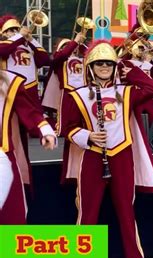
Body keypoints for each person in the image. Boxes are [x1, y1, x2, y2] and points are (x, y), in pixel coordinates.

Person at [58, 40, 153, 258]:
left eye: (109, 63)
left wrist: (134, 71)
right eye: (99, 63)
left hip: (121, 155)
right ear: (90, 66)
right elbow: (66, 128)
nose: (104, 67)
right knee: (87, 212)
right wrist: (86, 136)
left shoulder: (126, 92)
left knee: (127, 211)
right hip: (92, 156)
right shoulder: (76, 94)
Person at [0, 69, 56, 223]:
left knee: (12, 217)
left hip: (3, 157)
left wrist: (44, 130)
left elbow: (29, 112)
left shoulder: (10, 81)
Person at [42, 33, 87, 184]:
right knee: (70, 130)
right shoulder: (59, 60)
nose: (73, 50)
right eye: (68, 47)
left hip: (84, 96)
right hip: (68, 96)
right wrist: (74, 42)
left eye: (75, 48)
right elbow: (60, 56)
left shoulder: (83, 59)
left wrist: (81, 44)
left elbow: (91, 54)